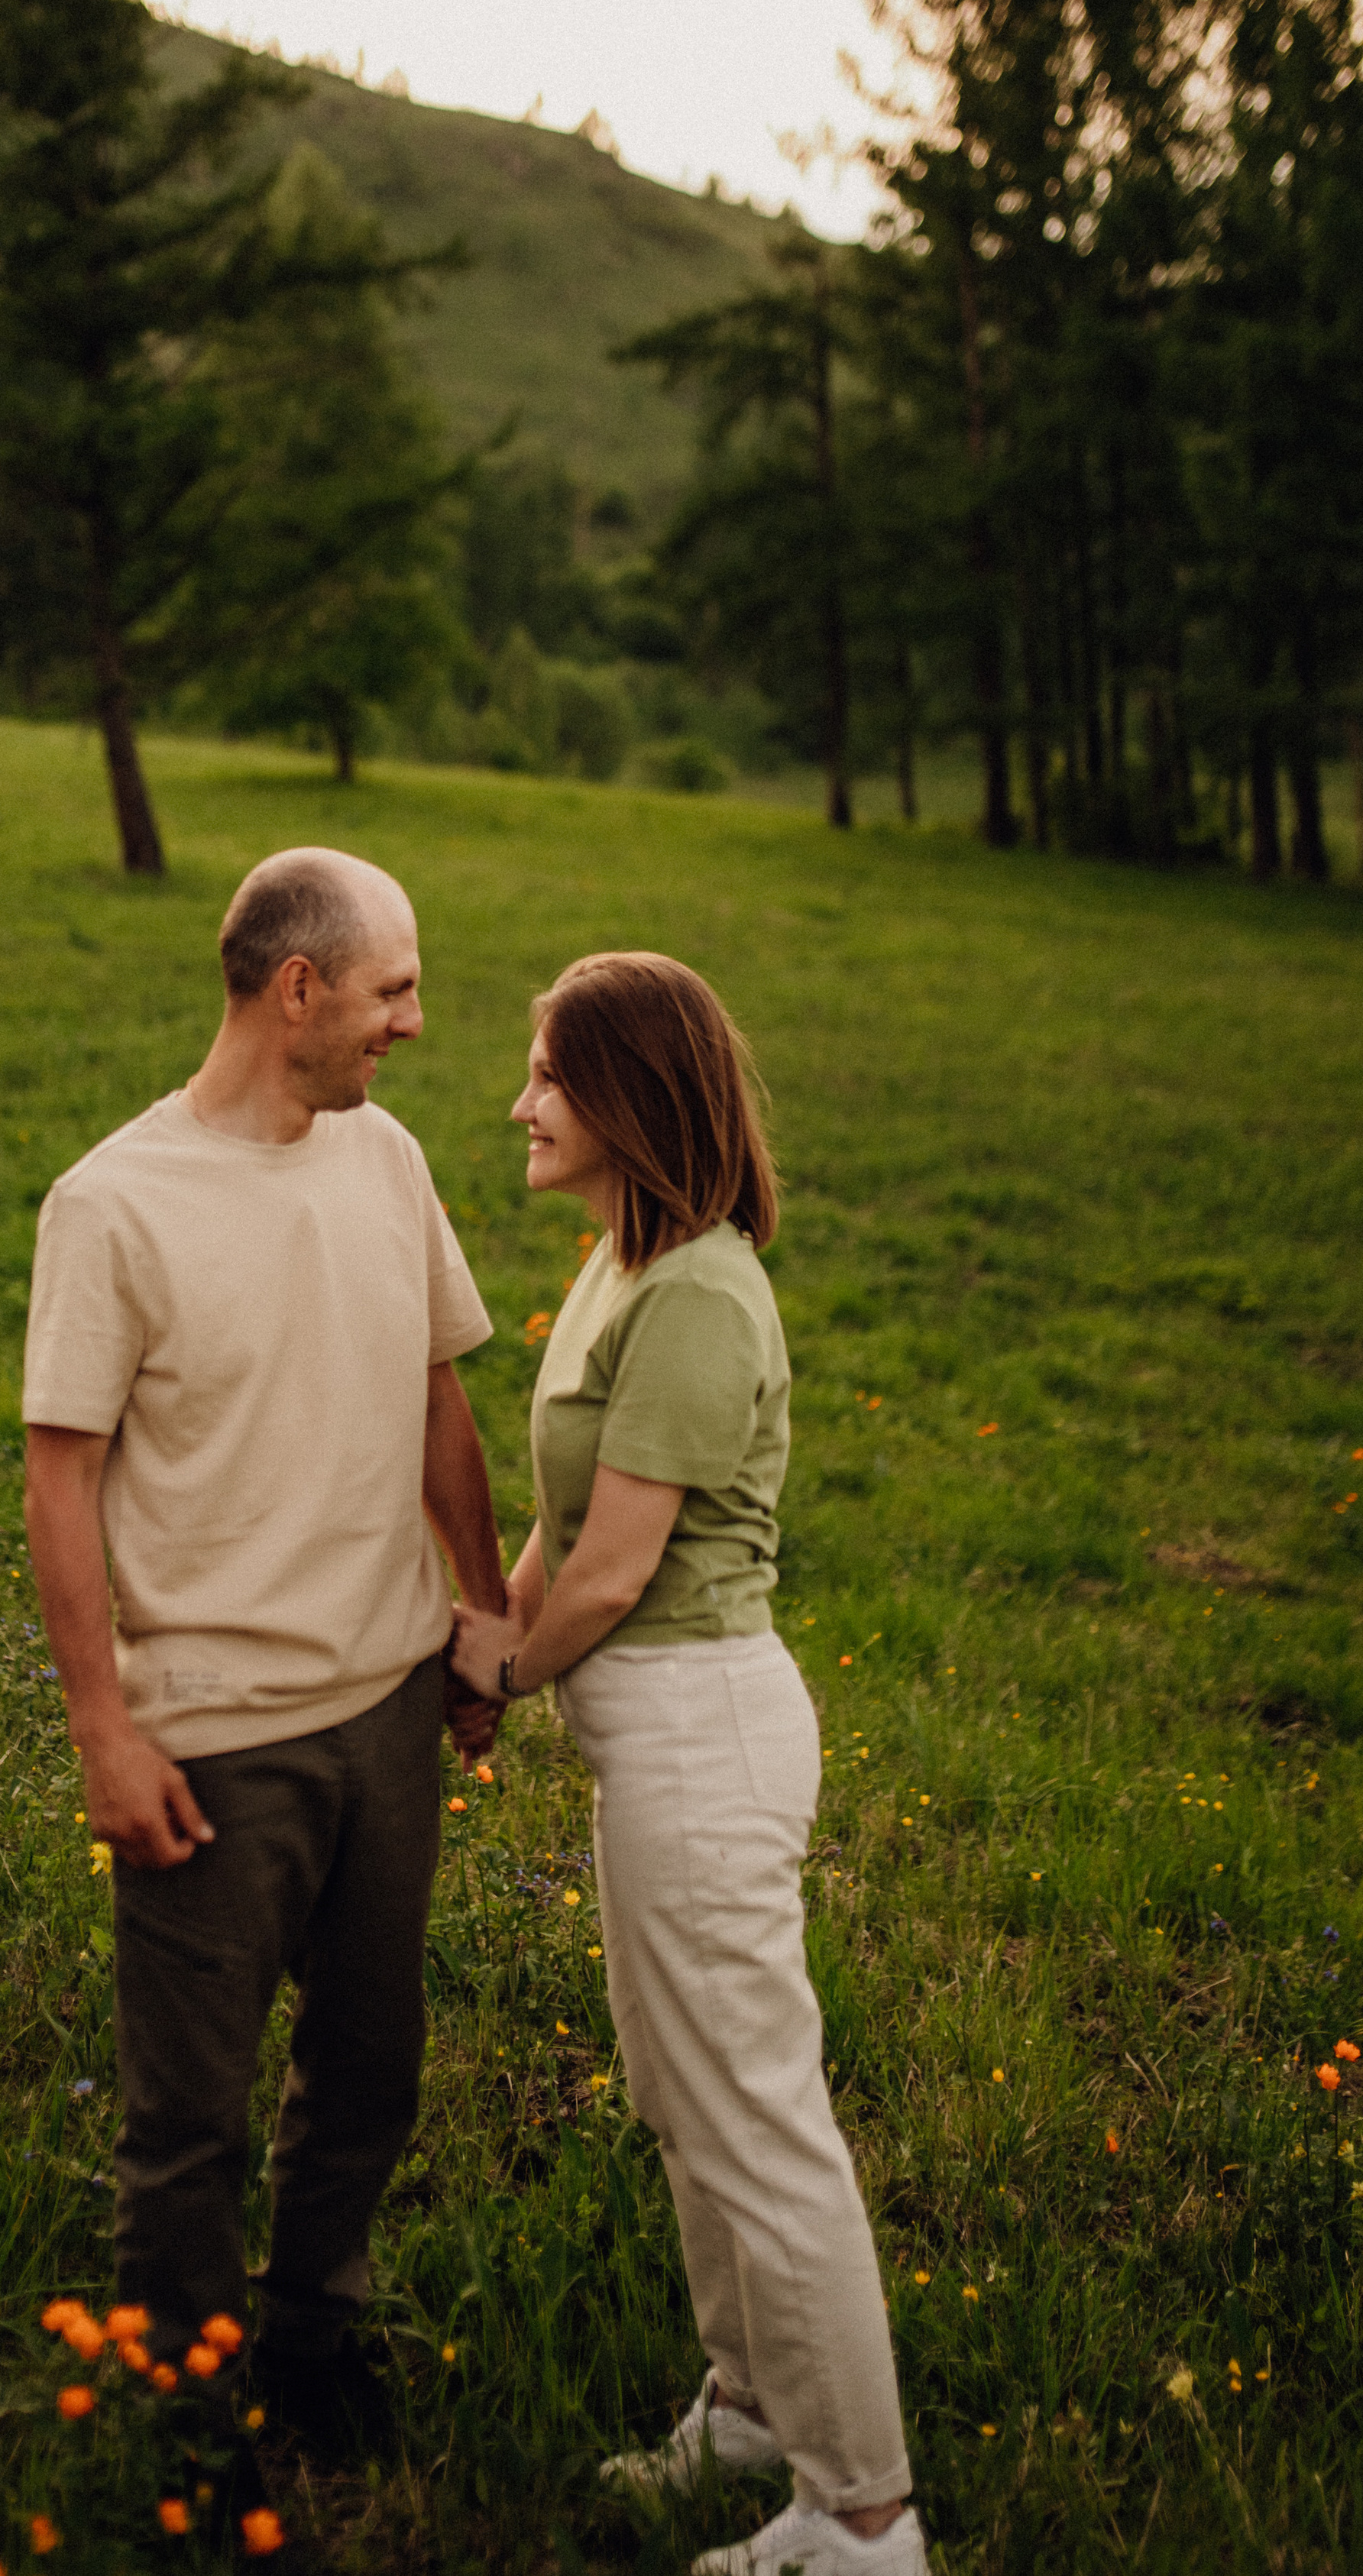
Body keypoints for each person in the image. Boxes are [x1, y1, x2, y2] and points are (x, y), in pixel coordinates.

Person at [23, 846, 507, 2458]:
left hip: (381, 1705)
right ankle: (185, 2429)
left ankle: (312, 2343)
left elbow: (440, 1399)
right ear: (295, 990)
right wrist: (105, 1728)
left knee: (369, 2068)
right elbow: (61, 1478)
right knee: (188, 2123)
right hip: (213, 1736)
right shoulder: (111, 1205)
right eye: (392, 991)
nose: (413, 1025)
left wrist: (482, 1607)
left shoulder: (385, 1163)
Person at [450, 953, 924, 2576]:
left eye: (544, 1078)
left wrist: (499, 1673)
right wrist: (478, 1651)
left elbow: (612, 1571)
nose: (517, 1104)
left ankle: (861, 2516)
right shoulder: (618, 1266)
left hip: (699, 1732)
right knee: (679, 2094)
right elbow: (553, 1531)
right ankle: (744, 2410)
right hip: (640, 1730)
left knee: (755, 2119)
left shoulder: (705, 1290)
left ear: (627, 1100)